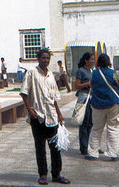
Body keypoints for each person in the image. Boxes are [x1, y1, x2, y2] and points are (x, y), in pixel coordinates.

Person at [20, 49, 70, 185]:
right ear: (38, 59)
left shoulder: (51, 75)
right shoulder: (31, 73)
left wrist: (59, 114)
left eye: (47, 58)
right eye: (43, 58)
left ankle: (56, 174)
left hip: (52, 116)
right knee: (40, 148)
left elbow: (54, 98)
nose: (45, 60)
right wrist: (29, 109)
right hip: (38, 117)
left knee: (55, 148)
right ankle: (42, 174)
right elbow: (24, 93)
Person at [86, 53, 119, 161]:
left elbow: (91, 85)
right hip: (113, 103)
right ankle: (113, 154)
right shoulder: (114, 73)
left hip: (97, 104)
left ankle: (93, 153)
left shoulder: (94, 73)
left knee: (96, 129)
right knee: (113, 128)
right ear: (108, 62)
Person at [75, 52, 95, 155]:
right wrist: (88, 83)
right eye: (91, 59)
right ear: (86, 60)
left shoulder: (92, 71)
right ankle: (84, 146)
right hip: (84, 98)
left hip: (92, 98)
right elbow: (77, 85)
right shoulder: (81, 71)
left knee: (91, 123)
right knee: (84, 123)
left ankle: (90, 145)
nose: (93, 61)